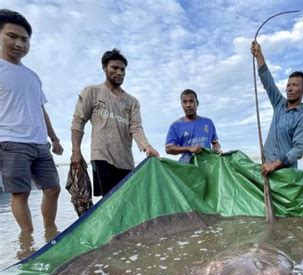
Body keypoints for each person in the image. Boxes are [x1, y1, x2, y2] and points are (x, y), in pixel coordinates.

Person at [0, 9, 64, 233]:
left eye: (24, 39)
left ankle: (50, 230)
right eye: (12, 36)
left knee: (53, 188)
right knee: (20, 193)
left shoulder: (33, 76)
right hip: (10, 141)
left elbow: (41, 109)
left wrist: (54, 138)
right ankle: (27, 238)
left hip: (40, 143)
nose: (19, 43)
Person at [71, 48, 160, 197]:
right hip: (102, 157)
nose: (119, 72)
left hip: (126, 161)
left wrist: (147, 148)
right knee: (109, 201)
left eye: (123, 69)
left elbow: (136, 128)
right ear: (104, 68)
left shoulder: (132, 102)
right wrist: (75, 152)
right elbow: (78, 122)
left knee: (128, 200)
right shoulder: (92, 92)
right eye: (114, 68)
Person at [250, 41, 303, 176]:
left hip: (286, 175)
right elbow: (268, 81)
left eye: (295, 85)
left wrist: (275, 165)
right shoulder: (279, 104)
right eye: (288, 85)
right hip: (265, 168)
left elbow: (298, 150)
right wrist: (259, 55)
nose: (289, 89)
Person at [165, 89, 222, 163]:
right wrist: (189, 148)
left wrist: (216, 150)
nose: (188, 105)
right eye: (185, 102)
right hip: (187, 167)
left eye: (191, 101)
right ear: (181, 104)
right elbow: (168, 148)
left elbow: (215, 143)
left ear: (197, 103)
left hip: (208, 165)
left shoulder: (208, 122)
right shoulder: (175, 126)